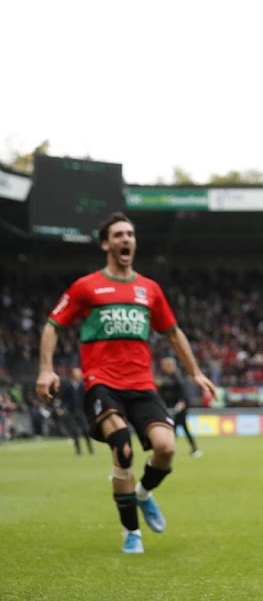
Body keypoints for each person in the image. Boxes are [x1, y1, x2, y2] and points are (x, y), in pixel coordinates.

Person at [36, 212, 218, 554]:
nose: (126, 240)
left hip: (142, 385)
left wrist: (194, 372)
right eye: (118, 235)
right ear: (106, 244)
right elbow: (51, 325)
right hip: (102, 383)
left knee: (165, 449)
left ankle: (143, 494)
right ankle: (131, 533)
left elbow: (173, 333)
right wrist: (46, 370)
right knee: (122, 448)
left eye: (130, 235)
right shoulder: (86, 287)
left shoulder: (149, 289)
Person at [157, 356, 202, 457]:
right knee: (176, 429)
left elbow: (183, 392)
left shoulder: (177, 377)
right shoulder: (165, 377)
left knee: (176, 428)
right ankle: (191, 449)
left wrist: (182, 402)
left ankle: (171, 448)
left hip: (178, 409)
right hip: (171, 408)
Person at [57, 366, 94, 455]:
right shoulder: (67, 386)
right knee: (74, 431)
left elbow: (88, 398)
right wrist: (61, 408)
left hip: (81, 411)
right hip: (71, 411)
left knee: (86, 430)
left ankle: (90, 448)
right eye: (77, 373)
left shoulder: (83, 385)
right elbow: (63, 399)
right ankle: (78, 450)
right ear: (73, 374)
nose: (79, 375)